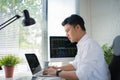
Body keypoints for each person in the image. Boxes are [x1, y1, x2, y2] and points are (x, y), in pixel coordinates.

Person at [43, 14, 111, 80]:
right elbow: (75, 65)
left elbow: (80, 76)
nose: (67, 35)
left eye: (68, 31)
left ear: (78, 27)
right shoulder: (83, 44)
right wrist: (58, 68)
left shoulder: (90, 46)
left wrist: (56, 72)